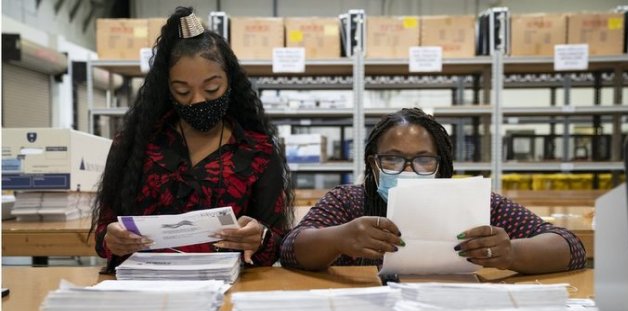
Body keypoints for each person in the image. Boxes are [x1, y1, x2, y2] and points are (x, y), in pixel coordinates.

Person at [91, 6, 293, 272]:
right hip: (142, 287)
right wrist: (111, 239)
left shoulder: (257, 152)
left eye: (212, 88)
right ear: (167, 90)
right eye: (182, 91)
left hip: (228, 290)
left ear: (230, 82)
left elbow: (279, 244)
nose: (197, 100)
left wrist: (261, 237)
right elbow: (104, 233)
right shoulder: (135, 146)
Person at [280, 108, 585, 274]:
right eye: (393, 158)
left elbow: (569, 246)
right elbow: (291, 248)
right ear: (373, 164)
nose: (408, 169)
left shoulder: (476, 204)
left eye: (424, 159)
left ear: (443, 164)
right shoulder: (348, 202)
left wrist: (512, 253)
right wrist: (338, 238)